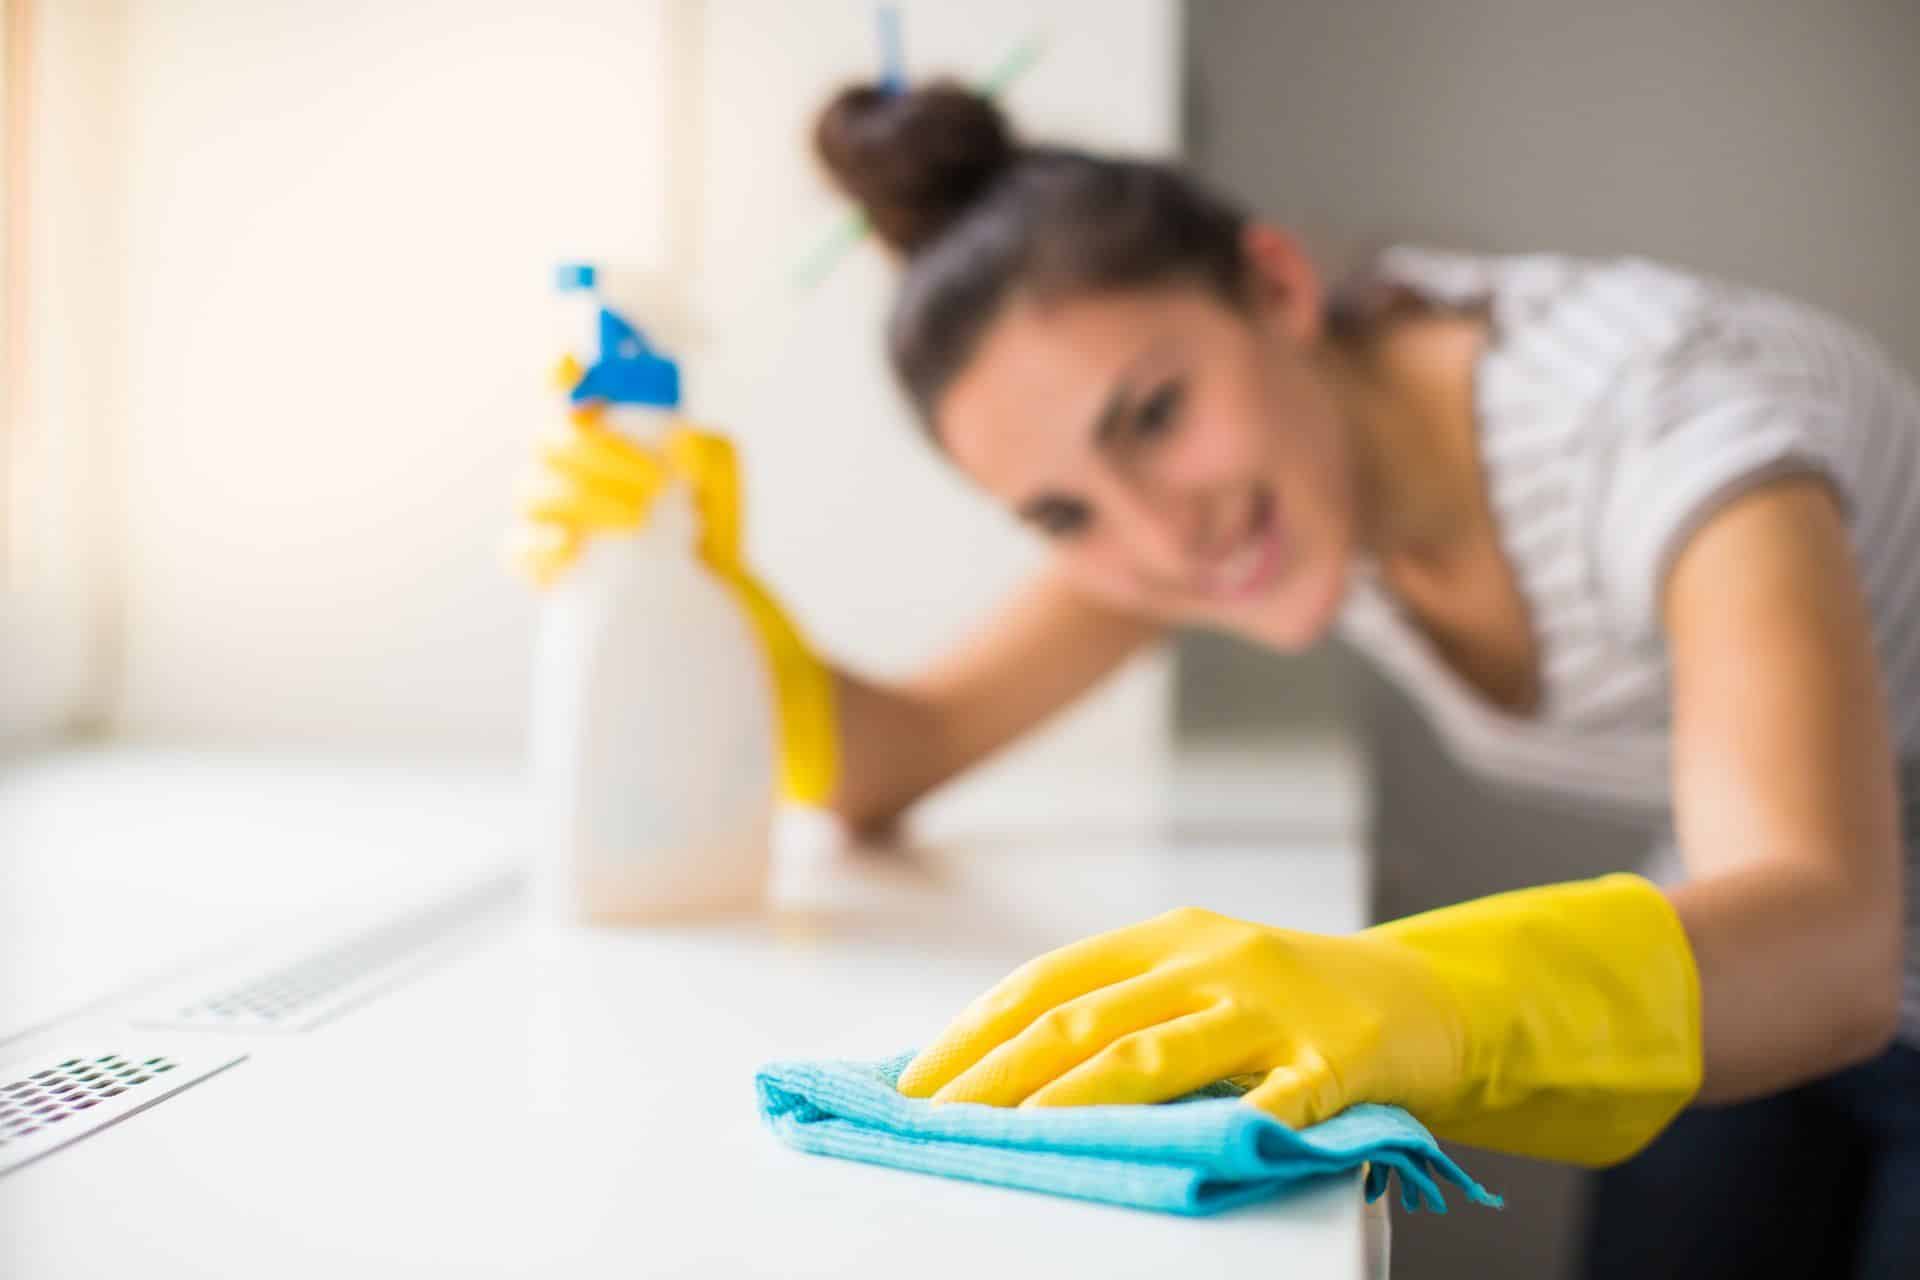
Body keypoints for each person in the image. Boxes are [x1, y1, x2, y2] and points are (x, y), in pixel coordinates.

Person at [513, 81, 1920, 1277]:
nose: (1153, 537)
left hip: (1821, 946)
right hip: (1744, 958)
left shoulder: (1666, 429)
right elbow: (901, 754)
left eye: (1154, 414)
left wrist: (1415, 994)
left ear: (1278, 287)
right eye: (1062, 515)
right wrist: (690, 582)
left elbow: (1836, 940)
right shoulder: (1266, 482)